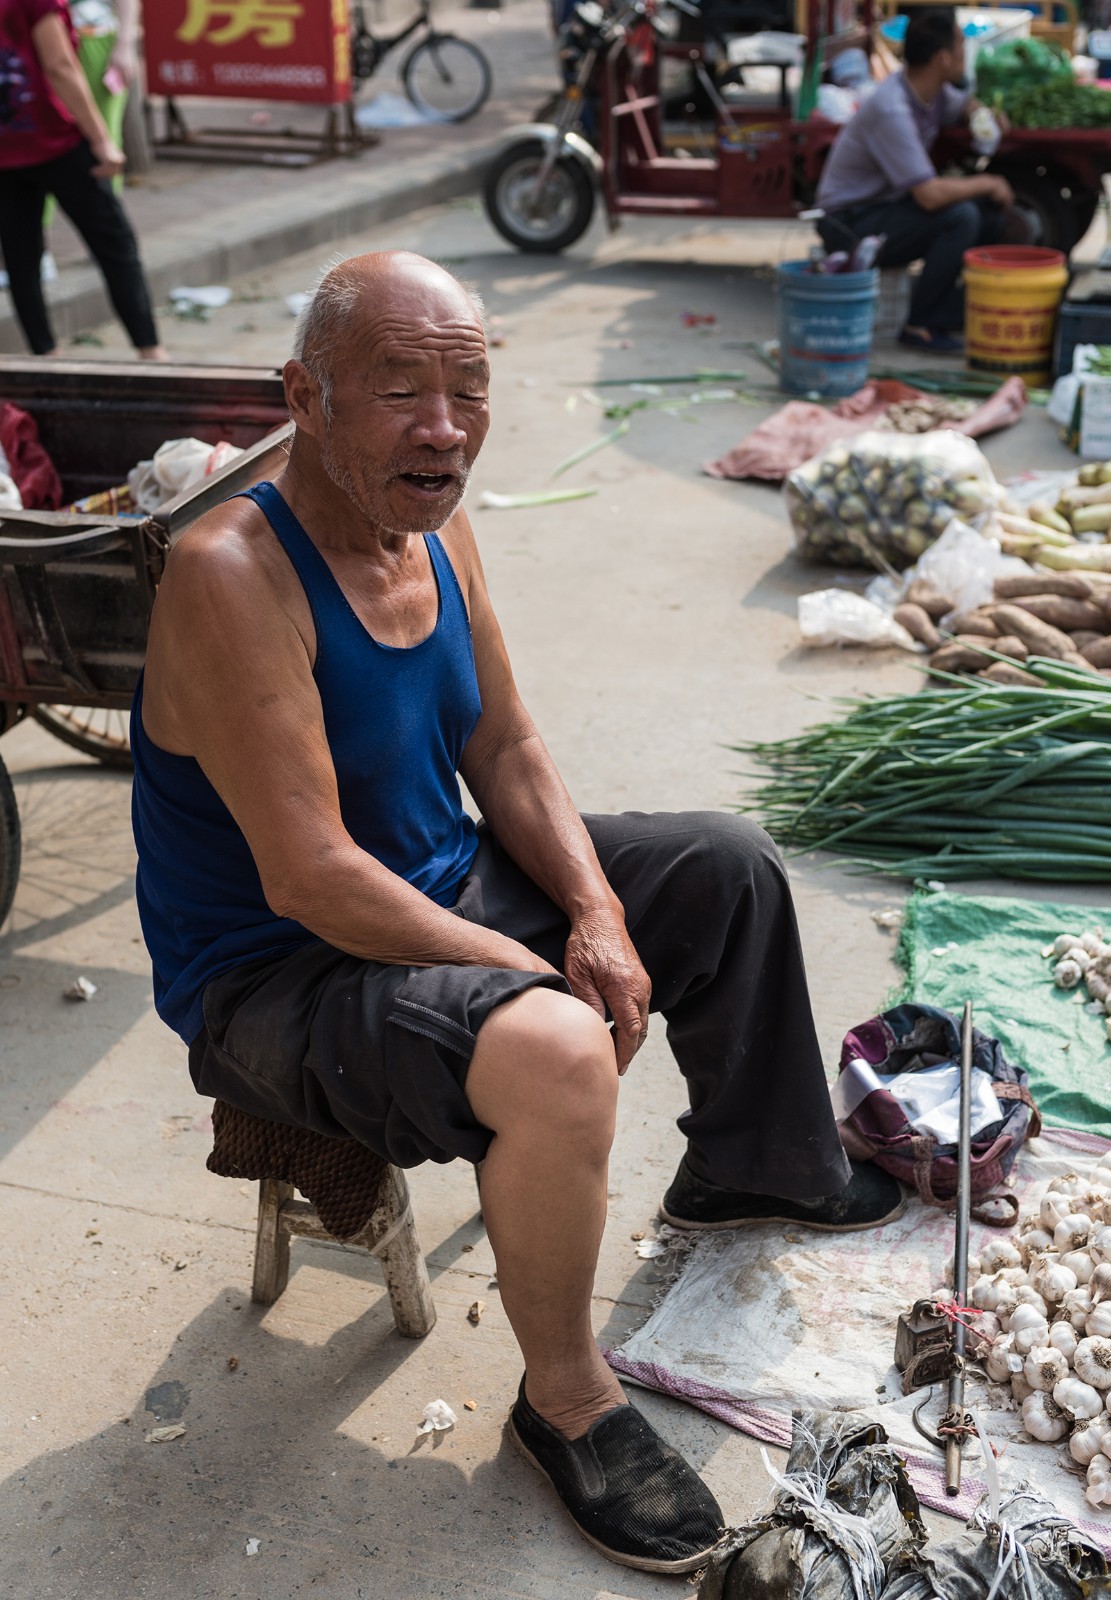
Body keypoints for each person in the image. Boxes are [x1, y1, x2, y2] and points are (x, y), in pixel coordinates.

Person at [130, 250, 904, 1575]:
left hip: (434, 886)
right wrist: (523, 971)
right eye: (398, 393)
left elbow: (502, 745)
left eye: (466, 390)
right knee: (550, 1049)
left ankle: (750, 1164)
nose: (442, 428)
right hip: (276, 980)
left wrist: (594, 913)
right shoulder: (230, 571)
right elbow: (309, 876)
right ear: (304, 397)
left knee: (720, 866)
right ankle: (565, 1400)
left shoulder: (429, 517)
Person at [815, 7, 1022, 353]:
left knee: (985, 213)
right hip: (847, 223)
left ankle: (948, 311)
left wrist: (983, 116)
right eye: (960, 47)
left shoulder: (930, 91)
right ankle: (919, 324)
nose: (963, 55)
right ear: (943, 58)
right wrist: (990, 182)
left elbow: (964, 105)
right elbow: (928, 195)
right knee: (960, 216)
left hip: (885, 208)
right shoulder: (891, 108)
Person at [0, 0, 165, 358]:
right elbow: (60, 66)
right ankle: (150, 351)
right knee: (116, 245)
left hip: (7, 147)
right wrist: (102, 139)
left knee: (21, 258)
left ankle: (45, 354)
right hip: (57, 139)